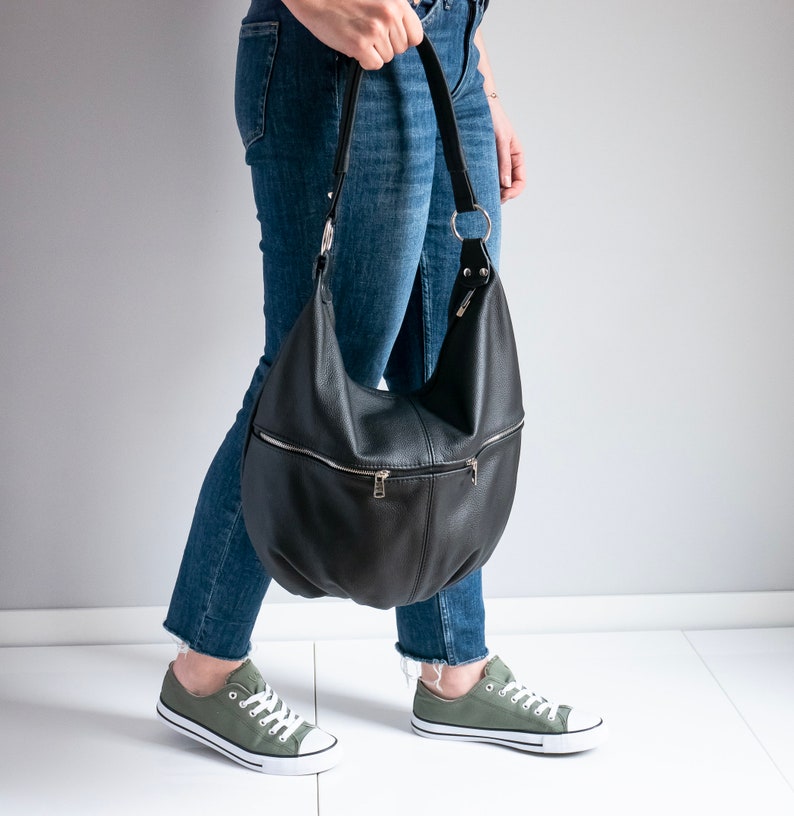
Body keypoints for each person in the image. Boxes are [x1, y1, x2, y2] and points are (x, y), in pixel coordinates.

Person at [156, 0, 607, 775]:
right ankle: (205, 671)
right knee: (312, 383)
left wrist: (480, 79)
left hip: (449, 55)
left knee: (450, 379)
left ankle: (455, 671)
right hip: (338, 48)